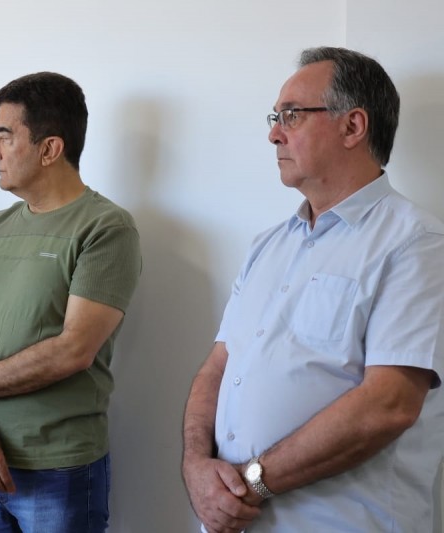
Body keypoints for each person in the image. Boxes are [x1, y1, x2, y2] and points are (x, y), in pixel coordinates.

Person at [182, 46, 444, 533]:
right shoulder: (267, 246)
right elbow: (219, 366)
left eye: (292, 115)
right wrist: (196, 466)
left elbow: (387, 405)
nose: (273, 133)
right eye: (275, 117)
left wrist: (251, 483)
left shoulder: (417, 244)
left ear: (352, 126)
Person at [0, 72, 141, 532]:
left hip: (60, 470)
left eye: (4, 136)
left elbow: (74, 349)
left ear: (49, 149)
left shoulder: (106, 228)